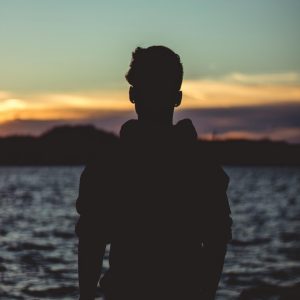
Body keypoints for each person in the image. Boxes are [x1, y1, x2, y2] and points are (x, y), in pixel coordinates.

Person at [75, 45, 232, 300]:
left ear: (132, 94)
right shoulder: (202, 165)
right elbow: (217, 240)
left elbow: (92, 242)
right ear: (178, 98)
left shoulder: (107, 164)